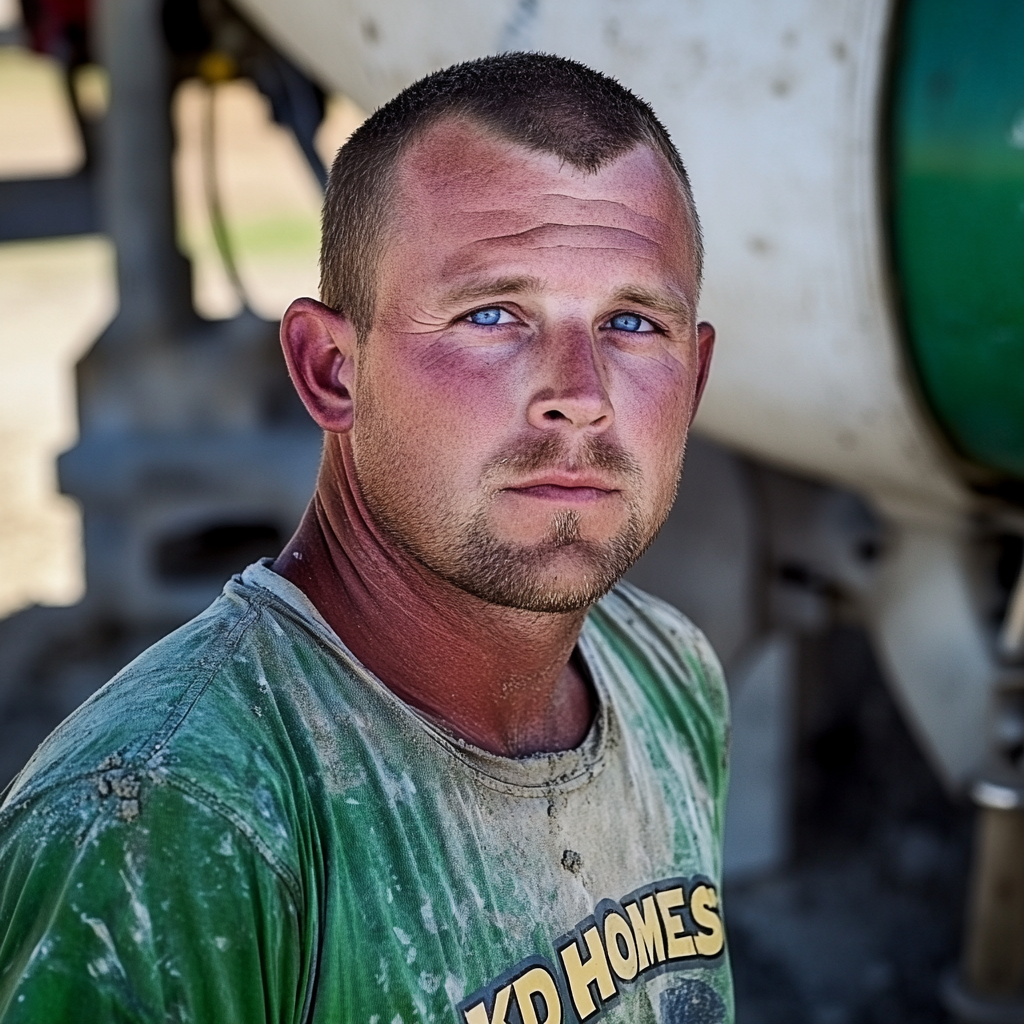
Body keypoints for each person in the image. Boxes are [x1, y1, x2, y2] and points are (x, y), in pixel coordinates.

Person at [0, 53, 728, 1024]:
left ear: (696, 374)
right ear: (332, 369)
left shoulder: (667, 674)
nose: (580, 398)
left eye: (633, 322)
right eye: (493, 314)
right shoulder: (171, 818)